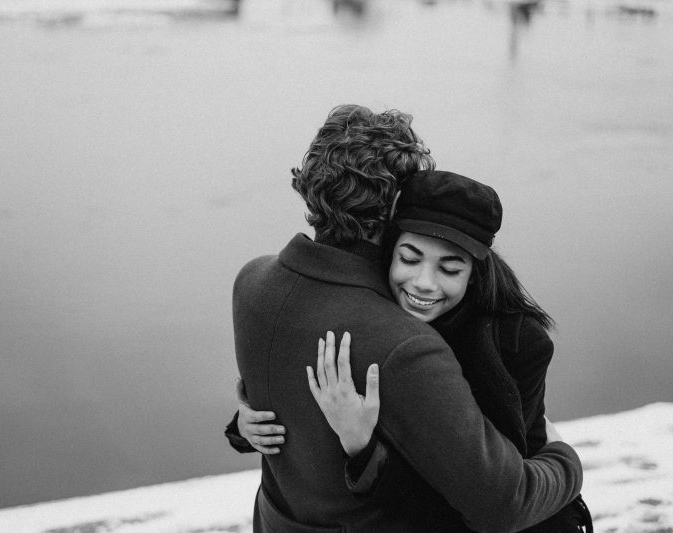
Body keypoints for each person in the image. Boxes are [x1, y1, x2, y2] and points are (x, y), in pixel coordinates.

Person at [229, 105, 583, 532]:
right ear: (396, 208)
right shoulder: (405, 343)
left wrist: (241, 426)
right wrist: (566, 460)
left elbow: (288, 414)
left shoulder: (251, 283)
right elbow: (504, 502)